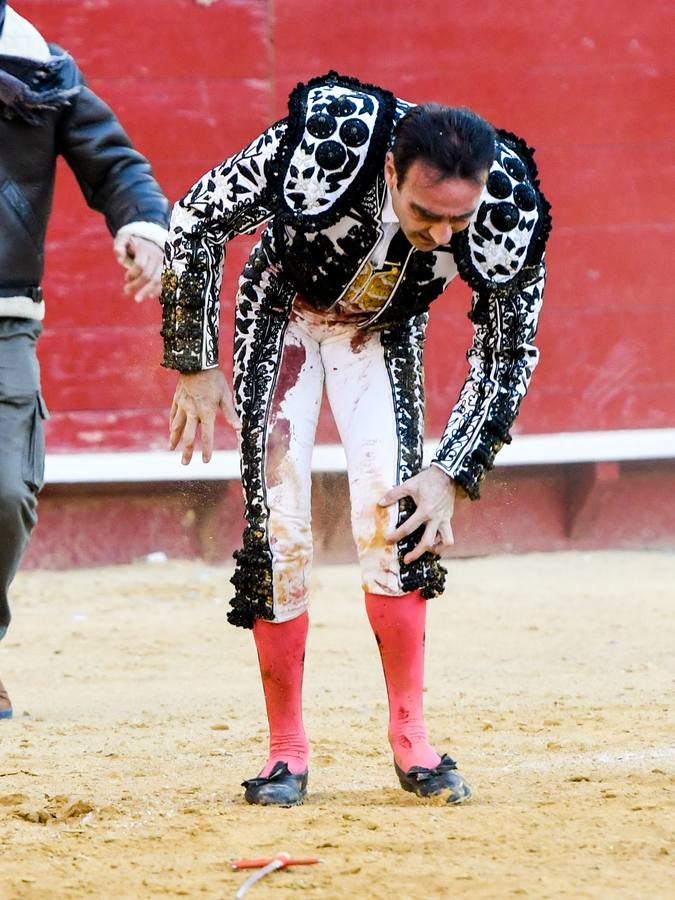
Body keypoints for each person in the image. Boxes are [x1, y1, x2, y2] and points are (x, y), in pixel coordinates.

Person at [160, 71, 551, 805]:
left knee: (394, 512)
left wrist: (452, 470)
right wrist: (193, 362)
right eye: (425, 214)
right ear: (391, 170)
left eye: (455, 224)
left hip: (380, 332)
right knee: (280, 527)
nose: (441, 235)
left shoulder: (506, 207)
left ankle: (412, 738)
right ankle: (286, 752)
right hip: (282, 316)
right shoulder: (331, 143)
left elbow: (507, 351)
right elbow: (198, 216)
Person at [0, 3, 170, 719]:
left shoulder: (37, 67)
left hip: (1, 319)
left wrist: (144, 225)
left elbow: (115, 163)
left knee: (4, 493)